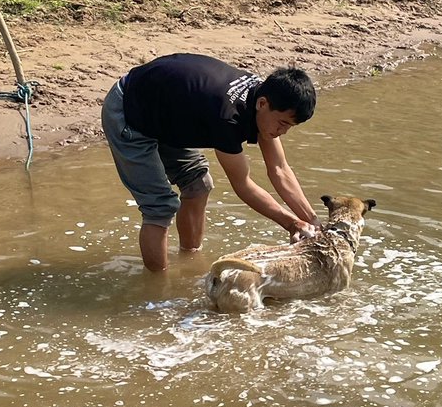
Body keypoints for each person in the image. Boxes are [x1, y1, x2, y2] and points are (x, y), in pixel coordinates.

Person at [101, 53, 320, 271]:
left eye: (289, 126)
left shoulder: (265, 97)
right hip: (129, 111)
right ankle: (159, 293)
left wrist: (313, 222)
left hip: (165, 112)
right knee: (159, 207)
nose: (283, 132)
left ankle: (189, 260)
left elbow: (280, 169)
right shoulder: (228, 117)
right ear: (263, 104)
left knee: (199, 184)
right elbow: (243, 186)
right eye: (282, 124)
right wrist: (291, 223)